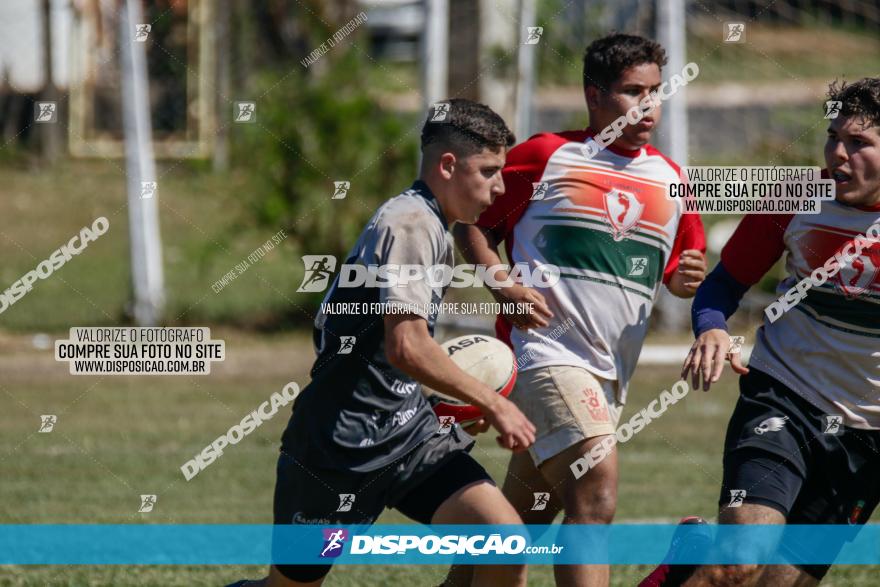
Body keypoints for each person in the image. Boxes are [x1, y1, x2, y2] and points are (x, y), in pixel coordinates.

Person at [229, 98, 536, 587]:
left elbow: (395, 357)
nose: (499, 186)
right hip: (338, 447)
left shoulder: (434, 224)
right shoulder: (409, 224)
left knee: (504, 545)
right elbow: (407, 347)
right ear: (448, 164)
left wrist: (451, 402)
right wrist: (493, 405)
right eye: (489, 171)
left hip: (409, 438)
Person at [451, 33, 706, 587]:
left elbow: (680, 271)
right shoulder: (547, 156)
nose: (649, 105)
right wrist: (502, 285)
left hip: (610, 373)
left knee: (516, 525)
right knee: (597, 492)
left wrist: (688, 280)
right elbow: (471, 224)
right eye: (631, 92)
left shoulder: (671, 179)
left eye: (656, 91)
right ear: (595, 96)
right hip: (544, 353)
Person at [641, 77, 880, 586]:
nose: (838, 154)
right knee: (737, 566)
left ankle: (690, 555)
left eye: (859, 143)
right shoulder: (796, 198)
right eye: (833, 137)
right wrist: (711, 330)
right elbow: (722, 285)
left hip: (867, 440)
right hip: (785, 400)